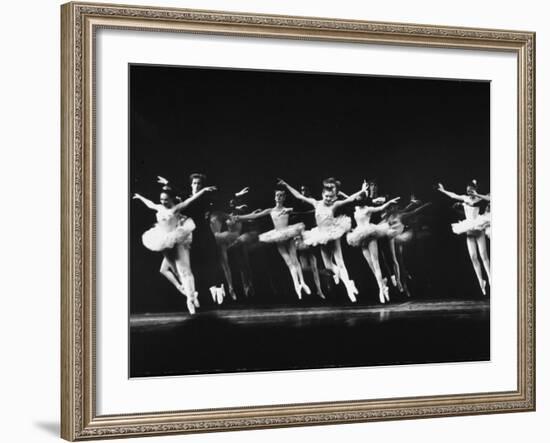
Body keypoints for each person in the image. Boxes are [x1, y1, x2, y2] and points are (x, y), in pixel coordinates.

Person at [278, 178, 367, 302]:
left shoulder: (334, 204)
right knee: (328, 265)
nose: (329, 199)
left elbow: (349, 199)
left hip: (333, 232)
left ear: (334, 197)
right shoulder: (316, 203)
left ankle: (348, 288)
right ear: (322, 195)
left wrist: (361, 190)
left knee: (340, 262)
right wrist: (287, 185)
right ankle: (349, 282)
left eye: (331, 197)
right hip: (321, 234)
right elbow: (299, 196)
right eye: (326, 196)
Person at [133, 187, 215, 314]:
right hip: (162, 239)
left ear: (171, 199)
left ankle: (190, 300)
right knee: (175, 272)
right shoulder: (160, 207)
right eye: (161, 199)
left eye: (166, 199)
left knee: (185, 272)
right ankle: (191, 294)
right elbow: (150, 204)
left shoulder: (176, 208)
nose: (163, 202)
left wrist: (203, 190)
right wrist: (140, 197)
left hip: (175, 239)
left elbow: (191, 200)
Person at [158, 174, 226, 305]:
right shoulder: (186, 196)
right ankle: (198, 292)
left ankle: (218, 285)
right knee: (193, 262)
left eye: (199, 183)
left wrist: (205, 192)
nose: (196, 185)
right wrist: (168, 182)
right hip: (190, 233)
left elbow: (212, 199)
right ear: (191, 185)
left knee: (212, 259)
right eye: (194, 183)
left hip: (203, 232)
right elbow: (178, 193)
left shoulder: (204, 197)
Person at [233, 188, 310, 299]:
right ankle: (297, 286)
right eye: (277, 195)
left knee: (295, 260)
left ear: (284, 198)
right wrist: (239, 218)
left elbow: (302, 211)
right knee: (289, 263)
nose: (278, 197)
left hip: (288, 234)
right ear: (274, 197)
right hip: (277, 236)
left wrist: (291, 209)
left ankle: (302, 282)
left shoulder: (287, 209)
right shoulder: (270, 210)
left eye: (281, 195)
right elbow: (254, 216)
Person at [437, 180, 491, 295]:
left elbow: (490, 199)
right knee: (473, 256)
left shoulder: (479, 198)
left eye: (471, 190)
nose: (469, 192)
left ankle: (491, 279)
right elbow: (453, 195)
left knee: (483, 256)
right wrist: (442, 190)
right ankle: (481, 281)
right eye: (467, 190)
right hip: (468, 228)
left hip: (478, 226)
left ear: (475, 189)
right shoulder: (465, 198)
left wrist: (476, 194)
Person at [346, 192, 401, 303]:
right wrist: (344, 192)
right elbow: (348, 199)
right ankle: (383, 285)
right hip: (359, 236)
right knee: (370, 264)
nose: (357, 200)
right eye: (357, 199)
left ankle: (381, 290)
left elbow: (381, 207)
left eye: (360, 198)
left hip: (370, 233)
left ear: (363, 200)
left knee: (376, 263)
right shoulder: (356, 207)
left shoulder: (368, 209)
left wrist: (389, 202)